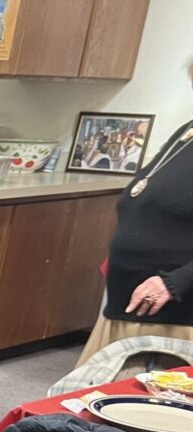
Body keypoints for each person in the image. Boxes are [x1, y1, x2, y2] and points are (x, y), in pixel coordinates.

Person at [73, 54, 193, 367]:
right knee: (89, 406)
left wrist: (173, 282)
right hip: (129, 305)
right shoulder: (187, 132)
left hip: (174, 315)